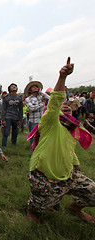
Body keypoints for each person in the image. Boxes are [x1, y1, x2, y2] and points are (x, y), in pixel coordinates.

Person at [25, 57, 95, 224]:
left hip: (69, 175)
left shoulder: (73, 127)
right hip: (44, 176)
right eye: (61, 105)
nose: (65, 105)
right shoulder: (49, 121)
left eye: (68, 105)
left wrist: (75, 163)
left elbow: (68, 148)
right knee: (43, 206)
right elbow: (55, 101)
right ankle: (31, 208)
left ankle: (75, 208)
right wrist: (62, 77)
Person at [24, 80, 50, 148]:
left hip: (43, 119)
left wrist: (41, 92)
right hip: (34, 121)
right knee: (33, 137)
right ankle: (33, 150)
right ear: (29, 90)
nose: (35, 87)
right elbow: (32, 108)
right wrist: (42, 104)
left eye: (36, 87)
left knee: (44, 135)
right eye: (33, 87)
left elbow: (50, 99)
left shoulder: (41, 96)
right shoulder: (28, 99)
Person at [1, 83, 23, 147]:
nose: (14, 87)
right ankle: (4, 146)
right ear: (9, 89)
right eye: (12, 86)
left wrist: (20, 120)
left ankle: (14, 145)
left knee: (15, 133)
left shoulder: (19, 98)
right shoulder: (6, 98)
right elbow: (3, 109)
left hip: (16, 117)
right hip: (8, 117)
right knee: (6, 132)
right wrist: (3, 120)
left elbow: (21, 110)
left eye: (15, 86)